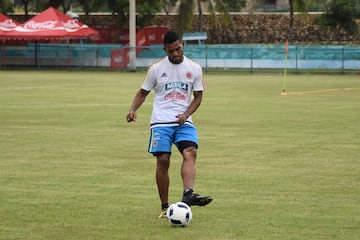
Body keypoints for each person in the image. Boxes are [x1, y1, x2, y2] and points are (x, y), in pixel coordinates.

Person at [126, 31, 212, 218]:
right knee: (163, 160)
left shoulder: (194, 68)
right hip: (160, 122)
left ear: (182, 45)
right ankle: (165, 207)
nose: (175, 53)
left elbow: (198, 97)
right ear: (165, 49)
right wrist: (133, 109)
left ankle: (188, 194)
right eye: (171, 50)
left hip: (183, 120)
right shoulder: (156, 69)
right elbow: (143, 92)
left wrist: (186, 114)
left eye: (178, 49)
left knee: (191, 151)